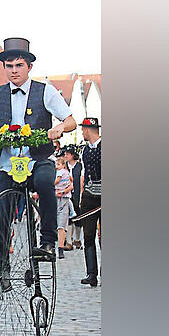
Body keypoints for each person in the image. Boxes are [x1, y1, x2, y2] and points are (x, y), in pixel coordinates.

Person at [0, 37, 77, 302]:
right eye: (9, 66)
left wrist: (58, 129)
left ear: (29, 66)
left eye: (18, 65)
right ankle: (1, 275)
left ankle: (47, 241)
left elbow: (71, 120)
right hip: (10, 164)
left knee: (45, 182)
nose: (13, 70)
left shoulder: (46, 91)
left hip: (38, 158)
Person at [78, 117, 102, 287]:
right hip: (89, 197)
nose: (82, 133)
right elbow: (84, 174)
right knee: (88, 235)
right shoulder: (84, 150)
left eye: (83, 130)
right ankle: (91, 273)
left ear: (88, 130)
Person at [54, 157, 75, 259]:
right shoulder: (67, 172)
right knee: (56, 225)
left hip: (62, 199)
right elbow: (72, 183)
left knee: (61, 225)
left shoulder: (60, 173)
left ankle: (60, 248)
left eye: (58, 164)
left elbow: (71, 184)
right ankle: (55, 247)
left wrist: (63, 191)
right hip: (58, 198)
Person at [65, 149, 84, 249]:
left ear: (73, 155)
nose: (66, 155)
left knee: (78, 216)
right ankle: (68, 241)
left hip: (77, 194)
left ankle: (77, 239)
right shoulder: (65, 166)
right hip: (67, 195)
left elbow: (83, 180)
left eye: (67, 154)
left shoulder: (80, 166)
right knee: (68, 217)